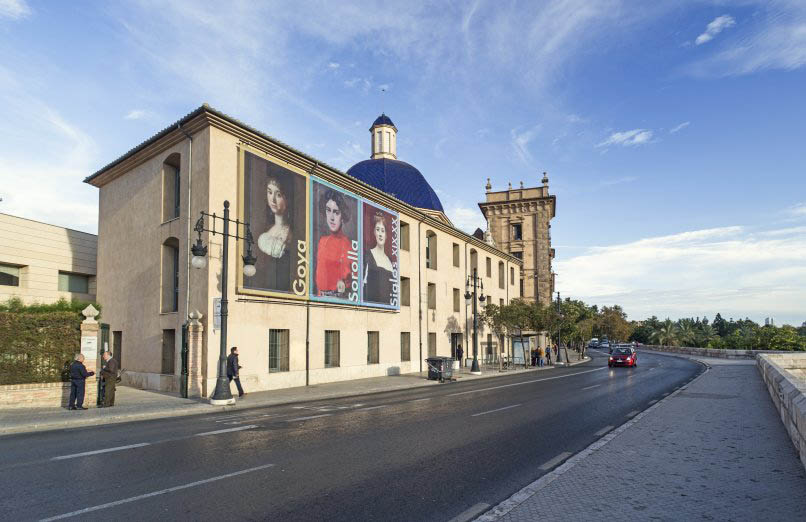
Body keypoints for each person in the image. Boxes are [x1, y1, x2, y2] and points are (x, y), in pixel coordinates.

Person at [251, 173, 294, 292]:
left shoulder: (290, 233)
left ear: (287, 199)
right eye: (270, 192)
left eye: (278, 195)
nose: (273, 199)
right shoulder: (264, 230)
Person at [315, 189, 353, 298]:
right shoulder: (322, 242)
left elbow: (350, 282)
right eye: (328, 210)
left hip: (338, 301)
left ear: (342, 216)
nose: (331, 217)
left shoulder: (348, 245)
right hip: (319, 300)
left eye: (336, 212)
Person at [363, 213, 394, 303]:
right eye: (378, 230)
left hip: (389, 307)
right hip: (372, 305)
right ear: (374, 232)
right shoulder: (368, 255)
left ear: (386, 235)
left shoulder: (390, 261)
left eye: (382, 231)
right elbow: (363, 286)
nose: (380, 234)